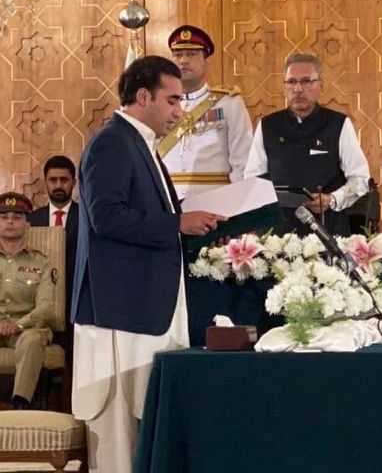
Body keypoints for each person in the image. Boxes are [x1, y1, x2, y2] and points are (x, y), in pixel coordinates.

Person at [71, 55, 225, 473]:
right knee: (119, 436)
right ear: (143, 96)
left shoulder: (139, 143)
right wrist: (178, 222)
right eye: (173, 100)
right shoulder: (113, 142)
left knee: (143, 426)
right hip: (120, 313)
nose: (180, 111)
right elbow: (107, 217)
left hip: (143, 307)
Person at [244, 53, 370, 236]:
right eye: (291, 82)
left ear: (321, 87)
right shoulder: (268, 125)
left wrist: (332, 199)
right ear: (284, 87)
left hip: (326, 228)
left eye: (305, 81)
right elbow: (252, 180)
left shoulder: (338, 124)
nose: (298, 89)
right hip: (277, 233)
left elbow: (360, 179)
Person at [160, 25, 253, 200]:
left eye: (192, 54)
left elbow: (242, 160)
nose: (183, 61)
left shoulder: (229, 103)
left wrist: (238, 204)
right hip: (167, 201)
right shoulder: (158, 103)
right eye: (178, 55)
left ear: (206, 61)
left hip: (215, 200)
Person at [0, 192, 54, 409]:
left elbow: (47, 306)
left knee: (32, 341)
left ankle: (20, 405)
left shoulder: (43, 262)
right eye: (4, 216)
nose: (10, 221)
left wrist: (18, 325)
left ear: (28, 225)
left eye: (17, 216)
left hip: (26, 328)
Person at [30, 155, 78, 360]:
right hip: (41, 303)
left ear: (73, 183)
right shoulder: (32, 220)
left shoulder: (87, 218)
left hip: (76, 303)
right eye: (53, 180)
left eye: (64, 180)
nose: (58, 185)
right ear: (46, 183)